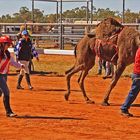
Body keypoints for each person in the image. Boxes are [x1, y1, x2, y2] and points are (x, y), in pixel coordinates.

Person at [0, 36, 24, 117]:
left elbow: (13, 62)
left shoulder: (7, 53)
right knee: (6, 91)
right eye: (7, 44)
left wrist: (20, 66)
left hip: (4, 75)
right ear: (2, 44)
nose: (8, 46)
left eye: (9, 44)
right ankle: (9, 112)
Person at [120, 47, 140, 117]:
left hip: (137, 74)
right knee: (133, 93)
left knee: (133, 93)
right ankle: (124, 108)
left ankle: (124, 108)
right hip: (138, 75)